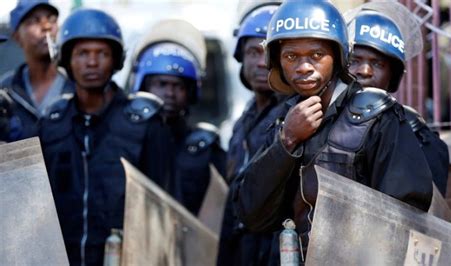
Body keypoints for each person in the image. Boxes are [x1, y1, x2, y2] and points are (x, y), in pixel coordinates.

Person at [235, 0, 433, 261]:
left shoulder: (377, 117)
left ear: (338, 57)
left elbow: (407, 219)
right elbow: (251, 213)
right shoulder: (286, 121)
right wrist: (287, 141)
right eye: (291, 56)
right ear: (278, 62)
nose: (304, 67)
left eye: (316, 55)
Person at [39, 9, 176, 265]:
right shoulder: (51, 123)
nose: (92, 63)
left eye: (102, 53)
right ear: (66, 59)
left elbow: (163, 208)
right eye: (82, 54)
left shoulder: (145, 123)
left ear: (115, 60)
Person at [345, 2, 449, 195]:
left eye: (377, 64)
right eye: (354, 61)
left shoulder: (414, 132)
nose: (364, 71)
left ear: (393, 75)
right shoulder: (318, 115)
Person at [130, 19, 226, 215]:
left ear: (191, 92)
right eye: (161, 84)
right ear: (144, 85)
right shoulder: (124, 137)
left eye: (179, 86)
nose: (170, 93)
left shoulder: (204, 148)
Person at [218, 3, 283, 266]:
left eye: (269, 53)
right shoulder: (242, 121)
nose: (260, 62)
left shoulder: (294, 116)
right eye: (252, 52)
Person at [0, 0, 74, 142]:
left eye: (51, 19)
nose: (46, 26)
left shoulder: (79, 88)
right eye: (34, 21)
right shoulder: (6, 91)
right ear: (17, 37)